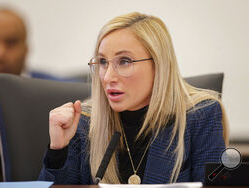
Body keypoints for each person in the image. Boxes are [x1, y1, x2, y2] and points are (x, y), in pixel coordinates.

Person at [38, 12, 229, 184]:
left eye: (125, 61)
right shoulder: (85, 123)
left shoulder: (200, 116)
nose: (108, 76)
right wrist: (58, 149)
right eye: (103, 62)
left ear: (159, 65)